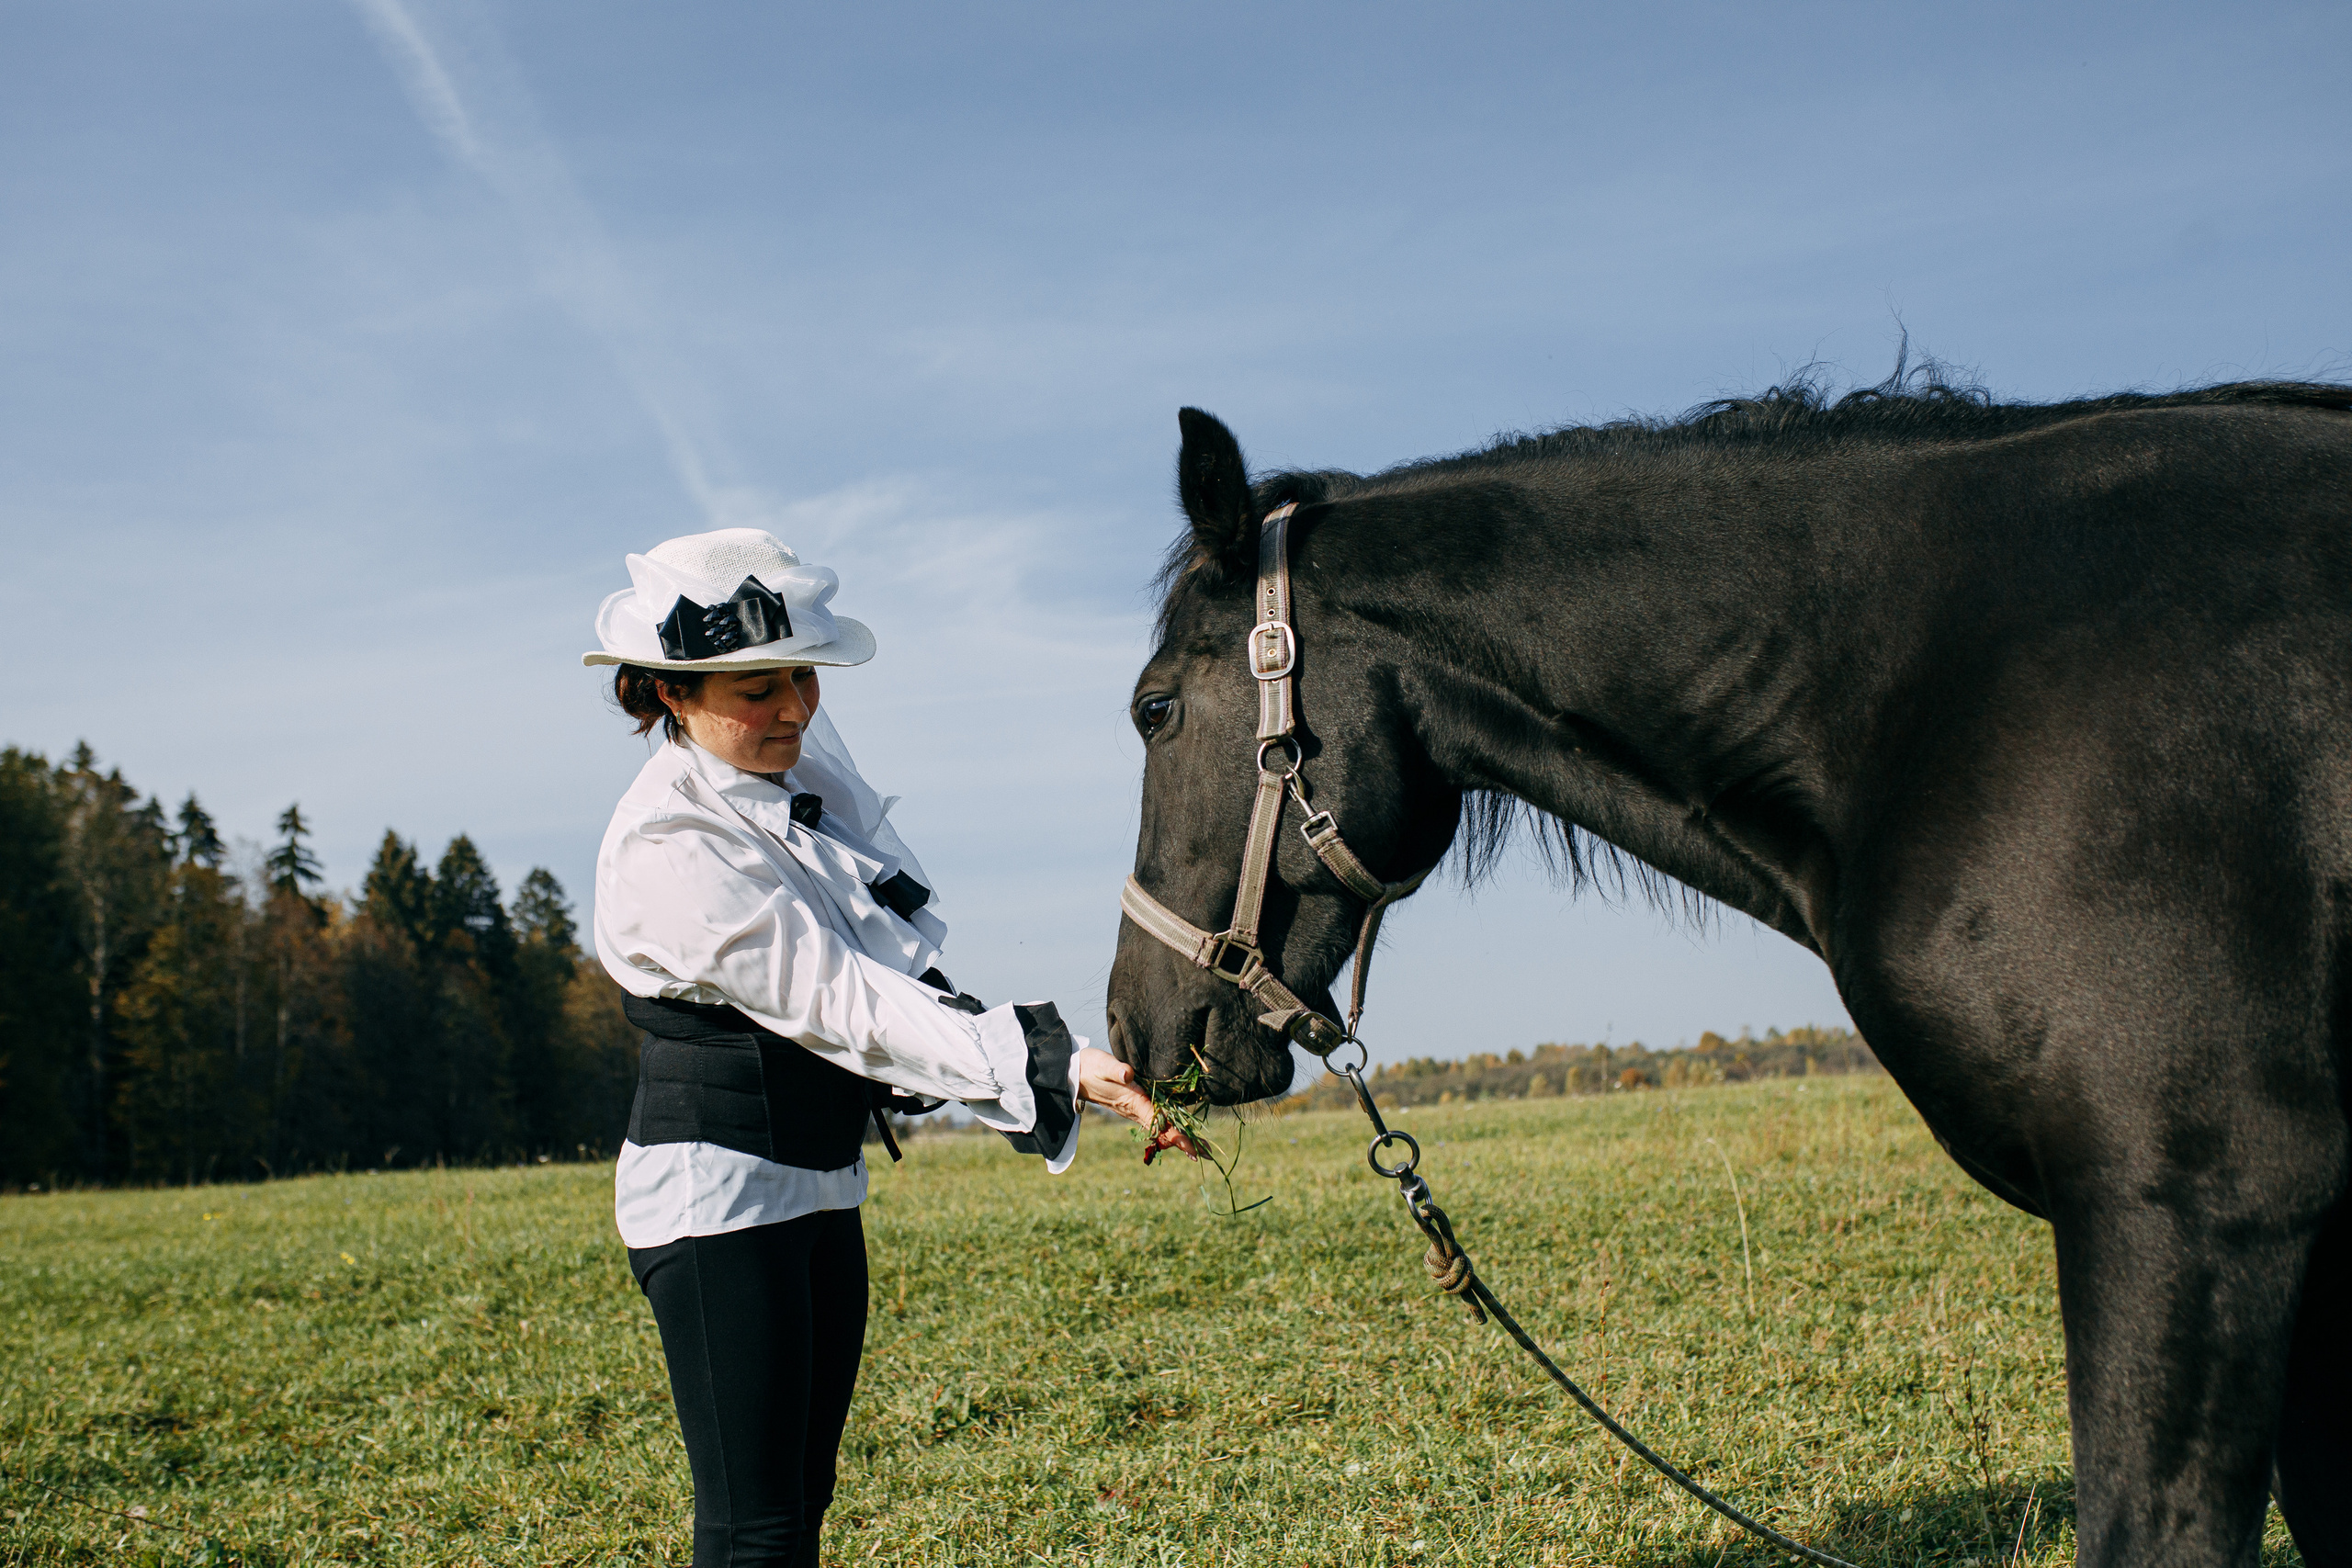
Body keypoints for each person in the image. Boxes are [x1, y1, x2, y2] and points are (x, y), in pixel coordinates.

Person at [584, 528, 1186, 1568]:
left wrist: (1071, 1057)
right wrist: (1041, 1065)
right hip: (716, 1197)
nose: (794, 710)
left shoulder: (792, 791)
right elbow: (842, 1001)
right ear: (671, 695)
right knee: (753, 1525)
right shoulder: (670, 844)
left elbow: (893, 968)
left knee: (800, 1502)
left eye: (802, 681)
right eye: (757, 690)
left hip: (817, 1184)